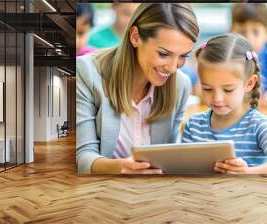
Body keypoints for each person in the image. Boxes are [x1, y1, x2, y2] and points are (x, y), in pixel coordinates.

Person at [76, 3, 199, 174]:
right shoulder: (87, 72)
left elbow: (170, 154)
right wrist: (120, 167)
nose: (173, 68)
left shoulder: (180, 85)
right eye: (164, 54)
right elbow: (82, 157)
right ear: (135, 37)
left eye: (183, 56)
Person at [182, 33, 267, 174]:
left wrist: (248, 172)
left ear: (249, 83)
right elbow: (183, 166)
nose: (217, 98)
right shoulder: (194, 125)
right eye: (207, 88)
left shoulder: (258, 124)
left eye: (228, 90)